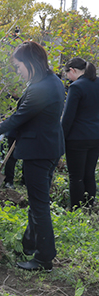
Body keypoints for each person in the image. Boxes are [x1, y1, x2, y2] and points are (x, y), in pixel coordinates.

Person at [0, 41, 65, 272]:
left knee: (39, 206)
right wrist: (1, 124)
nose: (18, 71)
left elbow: (20, 117)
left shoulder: (41, 87)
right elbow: (28, 116)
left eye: (19, 66)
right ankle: (30, 245)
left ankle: (44, 259)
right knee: (38, 203)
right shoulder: (52, 81)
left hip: (38, 153)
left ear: (30, 63)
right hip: (48, 149)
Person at [61, 57, 99, 209]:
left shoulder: (76, 87)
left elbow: (68, 117)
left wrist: (61, 138)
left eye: (67, 74)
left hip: (78, 138)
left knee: (76, 176)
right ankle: (89, 206)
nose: (67, 78)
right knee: (89, 174)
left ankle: (76, 209)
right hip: (96, 136)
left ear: (73, 71)